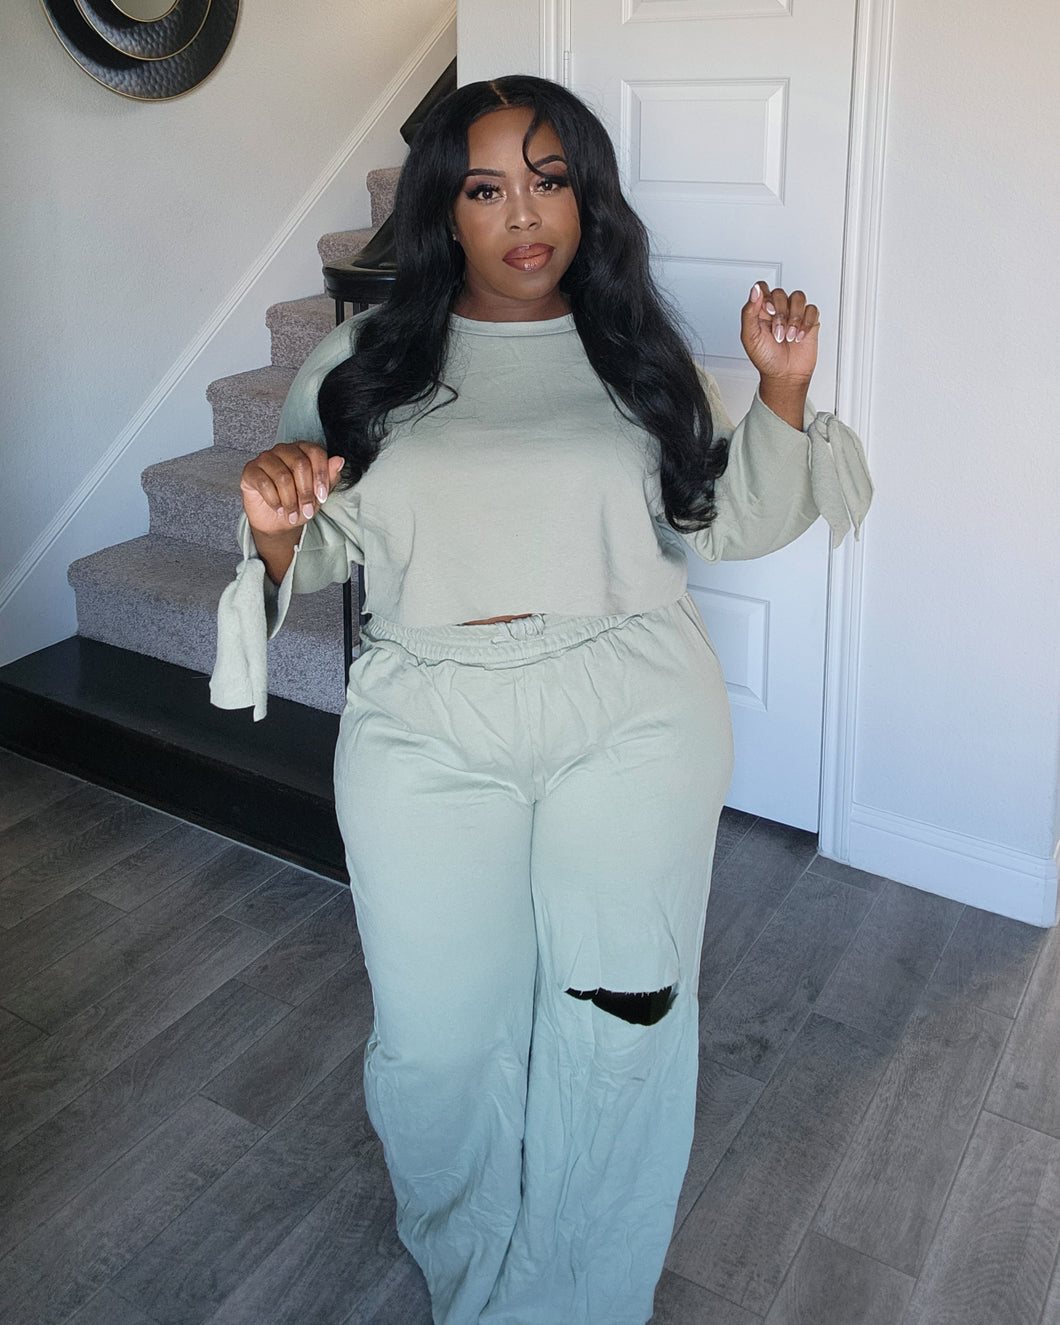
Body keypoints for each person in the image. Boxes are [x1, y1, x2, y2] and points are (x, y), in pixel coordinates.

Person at [211, 75, 871, 1325]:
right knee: (438, 1039)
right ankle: (471, 1273)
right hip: (426, 717)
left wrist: (781, 391)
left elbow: (718, 522)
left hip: (632, 707)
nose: (524, 213)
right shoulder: (362, 363)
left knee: (621, 1022)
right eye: (486, 187)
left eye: (550, 179)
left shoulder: (637, 353)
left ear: (587, 196)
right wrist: (276, 515)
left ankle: (578, 1298)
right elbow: (321, 551)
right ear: (441, 210)